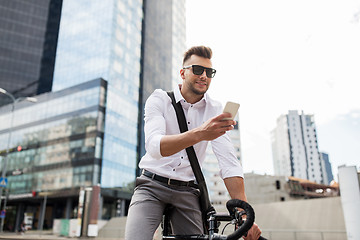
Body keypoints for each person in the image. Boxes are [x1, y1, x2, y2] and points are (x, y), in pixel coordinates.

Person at [125, 46, 261, 240]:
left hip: (187, 190)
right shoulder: (159, 99)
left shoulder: (214, 109)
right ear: (183, 72)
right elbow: (155, 147)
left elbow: (229, 164)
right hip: (151, 185)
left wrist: (244, 214)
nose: (204, 75)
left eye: (209, 72)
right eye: (197, 69)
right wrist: (201, 133)